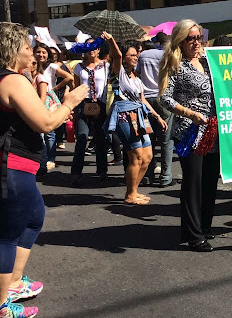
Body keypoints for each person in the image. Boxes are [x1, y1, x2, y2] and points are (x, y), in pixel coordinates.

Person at [0, 22, 88, 318]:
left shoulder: (15, 79)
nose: (32, 52)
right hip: (11, 166)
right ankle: (1, 301)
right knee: (8, 234)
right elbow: (46, 123)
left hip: (18, 164)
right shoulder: (12, 80)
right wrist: (69, 102)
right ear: (12, 50)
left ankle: (12, 281)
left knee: (34, 215)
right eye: (26, 46)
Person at [159, 19, 220, 252]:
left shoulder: (209, 60)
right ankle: (194, 236)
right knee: (193, 182)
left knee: (209, 180)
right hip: (189, 130)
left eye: (199, 37)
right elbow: (165, 98)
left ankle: (202, 226)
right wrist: (189, 113)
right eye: (190, 38)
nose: (196, 42)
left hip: (212, 129)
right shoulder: (175, 64)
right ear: (180, 41)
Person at [103, 34, 167, 205]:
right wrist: (111, 40)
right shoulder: (120, 73)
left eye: (136, 54)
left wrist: (157, 116)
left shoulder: (136, 78)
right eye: (132, 55)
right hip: (125, 116)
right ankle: (130, 194)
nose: (136, 57)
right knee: (136, 155)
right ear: (124, 58)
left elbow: (143, 99)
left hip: (139, 115)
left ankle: (134, 190)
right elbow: (116, 55)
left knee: (147, 156)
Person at [137, 32, 175, 188]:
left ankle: (148, 175)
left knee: (149, 139)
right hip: (162, 97)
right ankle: (165, 176)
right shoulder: (167, 55)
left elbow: (138, 73)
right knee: (166, 140)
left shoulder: (143, 55)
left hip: (146, 99)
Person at [71, 37, 111, 184]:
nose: (92, 50)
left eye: (94, 47)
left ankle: (102, 171)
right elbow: (75, 88)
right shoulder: (78, 67)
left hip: (101, 104)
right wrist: (73, 108)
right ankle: (76, 173)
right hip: (84, 104)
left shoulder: (106, 66)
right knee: (81, 138)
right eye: (88, 47)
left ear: (99, 49)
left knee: (101, 139)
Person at [33, 43, 73, 171]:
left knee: (48, 132)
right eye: (38, 52)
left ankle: (50, 159)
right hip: (33, 98)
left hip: (47, 100)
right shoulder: (31, 66)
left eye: (44, 52)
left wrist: (55, 88)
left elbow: (69, 77)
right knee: (38, 132)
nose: (41, 55)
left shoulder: (51, 66)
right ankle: (41, 160)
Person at [50, 47, 72, 150]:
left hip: (60, 93)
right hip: (49, 94)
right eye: (51, 53)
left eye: (55, 53)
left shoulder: (62, 66)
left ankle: (59, 139)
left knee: (61, 117)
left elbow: (69, 78)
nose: (53, 55)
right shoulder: (46, 66)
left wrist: (57, 87)